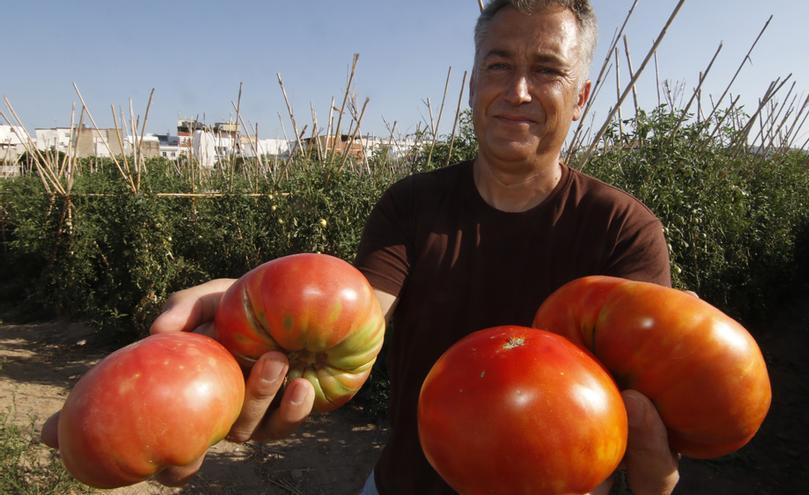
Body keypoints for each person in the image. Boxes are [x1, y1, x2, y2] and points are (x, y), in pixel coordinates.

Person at [42, 1, 680, 493]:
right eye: (499, 66)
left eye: (546, 70)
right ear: (472, 86)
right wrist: (246, 318)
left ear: (582, 97)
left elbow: (643, 401)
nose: (517, 91)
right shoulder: (412, 206)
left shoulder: (623, 230)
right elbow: (358, 312)